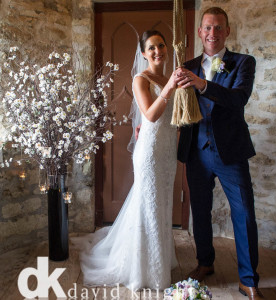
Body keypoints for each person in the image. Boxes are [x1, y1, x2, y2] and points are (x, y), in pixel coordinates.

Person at [72, 30, 181, 291]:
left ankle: (161, 259)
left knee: (162, 203)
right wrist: (169, 88)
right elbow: (151, 115)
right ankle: (146, 270)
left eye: (161, 45)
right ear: (143, 53)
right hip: (150, 152)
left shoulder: (167, 77)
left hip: (167, 150)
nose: (158, 51)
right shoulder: (140, 79)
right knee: (149, 204)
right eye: (152, 48)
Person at [176, 7, 264, 300]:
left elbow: (238, 99)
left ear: (227, 31)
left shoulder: (243, 63)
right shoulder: (186, 64)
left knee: (245, 214)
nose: (212, 33)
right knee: (200, 211)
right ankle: (205, 263)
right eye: (207, 28)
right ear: (200, 32)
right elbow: (176, 106)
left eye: (218, 28)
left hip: (231, 153)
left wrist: (202, 84)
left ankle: (248, 279)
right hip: (196, 151)